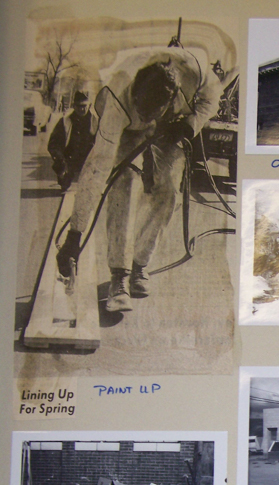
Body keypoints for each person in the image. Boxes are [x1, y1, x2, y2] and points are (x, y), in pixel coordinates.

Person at [56, 49, 221, 311]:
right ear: (135, 94)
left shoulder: (196, 71)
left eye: (149, 114)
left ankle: (139, 266)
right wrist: (74, 237)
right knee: (122, 185)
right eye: (142, 112)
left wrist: (190, 124)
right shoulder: (116, 101)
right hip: (126, 130)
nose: (146, 120)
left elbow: (212, 100)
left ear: (171, 98)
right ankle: (119, 277)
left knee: (167, 192)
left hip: (170, 126)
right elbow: (96, 171)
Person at [47, 90, 98, 190]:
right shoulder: (65, 121)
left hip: (89, 158)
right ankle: (64, 177)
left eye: (84, 106)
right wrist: (60, 162)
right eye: (79, 106)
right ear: (74, 106)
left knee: (91, 189)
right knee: (64, 185)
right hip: (69, 158)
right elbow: (53, 144)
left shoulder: (95, 121)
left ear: (90, 105)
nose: (82, 109)